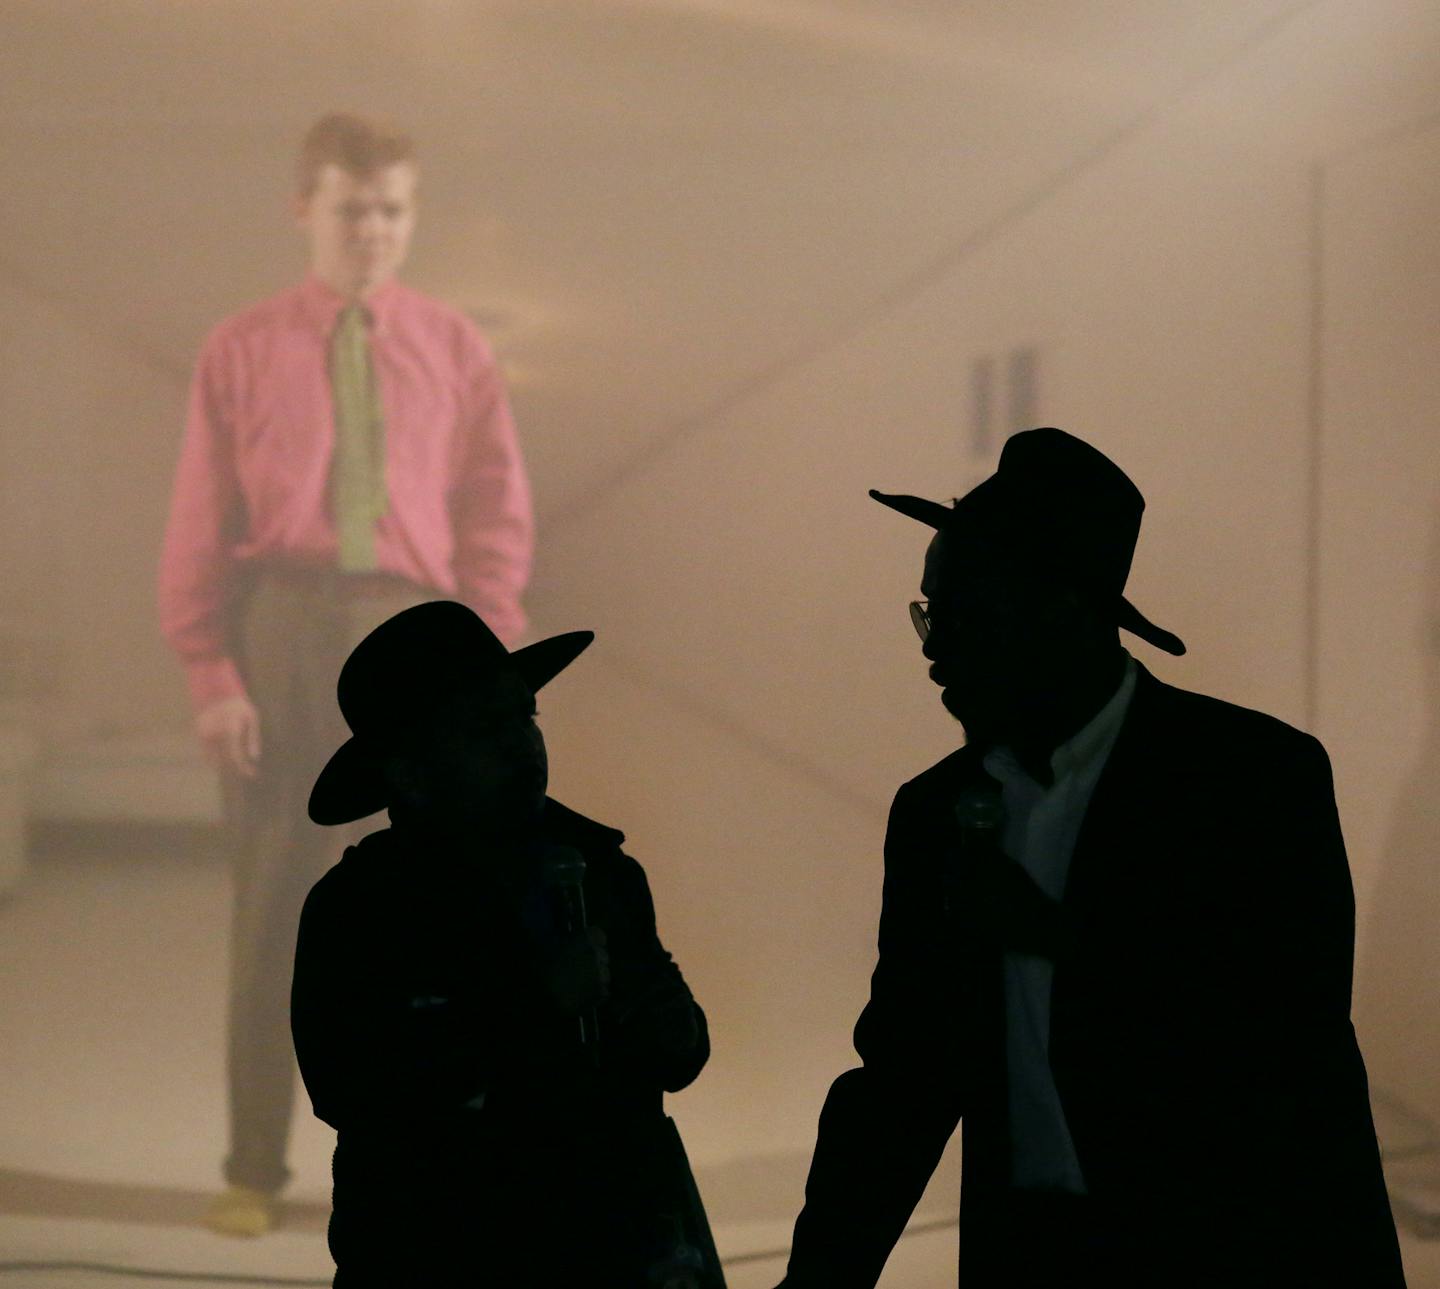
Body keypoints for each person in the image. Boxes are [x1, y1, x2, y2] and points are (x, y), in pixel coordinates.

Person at [777, 428, 1405, 1287]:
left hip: (1236, 1250)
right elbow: (904, 1078)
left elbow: (1284, 1031)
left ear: (1061, 608)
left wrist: (1048, 931)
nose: (932, 645)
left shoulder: (1254, 779)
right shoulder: (933, 814)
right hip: (1033, 1255)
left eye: (959, 612)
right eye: (928, 612)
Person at [157, 110, 533, 1236]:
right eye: (351, 207)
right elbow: (196, 523)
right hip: (284, 623)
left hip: (412, 626)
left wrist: (488, 664)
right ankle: (253, 1166)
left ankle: (429, 1146)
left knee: (435, 903)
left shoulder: (456, 348)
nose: (373, 229)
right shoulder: (241, 346)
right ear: (305, 208)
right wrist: (212, 674)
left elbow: (493, 514)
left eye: (392, 209)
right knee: (276, 905)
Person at [290, 600, 723, 1286]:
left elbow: (676, 1045)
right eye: (484, 727)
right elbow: (358, 1092)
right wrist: (539, 1000)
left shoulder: (599, 869)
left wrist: (677, 1033)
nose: (522, 742)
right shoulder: (359, 910)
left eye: (525, 716)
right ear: (407, 770)